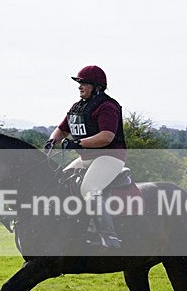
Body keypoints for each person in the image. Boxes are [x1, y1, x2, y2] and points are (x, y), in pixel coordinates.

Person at [46, 65, 127, 248]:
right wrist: (52, 141)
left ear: (96, 87)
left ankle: (108, 235)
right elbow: (62, 130)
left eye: (84, 83)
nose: (80, 86)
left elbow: (106, 137)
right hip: (86, 159)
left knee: (90, 188)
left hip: (110, 157)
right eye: (79, 83)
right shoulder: (78, 107)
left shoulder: (107, 106)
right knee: (57, 182)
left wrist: (78, 143)